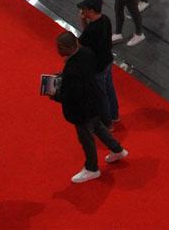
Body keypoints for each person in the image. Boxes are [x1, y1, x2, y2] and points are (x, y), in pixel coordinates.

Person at [50, 32, 127, 184]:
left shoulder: (72, 69)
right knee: (98, 127)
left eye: (60, 47)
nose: (57, 50)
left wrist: (55, 95)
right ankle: (117, 149)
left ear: (69, 48)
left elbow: (71, 95)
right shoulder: (86, 53)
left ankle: (92, 168)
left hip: (81, 110)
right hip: (94, 102)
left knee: (86, 139)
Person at [76, 0, 117, 124]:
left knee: (101, 96)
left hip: (97, 66)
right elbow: (88, 37)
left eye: (84, 9)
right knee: (109, 89)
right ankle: (114, 115)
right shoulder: (105, 20)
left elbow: (80, 44)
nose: (82, 11)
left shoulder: (91, 29)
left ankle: (107, 123)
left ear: (91, 10)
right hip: (107, 60)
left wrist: (82, 21)